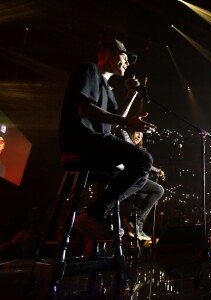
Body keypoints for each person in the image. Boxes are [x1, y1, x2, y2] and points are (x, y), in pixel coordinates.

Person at [58, 33, 156, 240]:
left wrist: (131, 95)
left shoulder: (109, 90)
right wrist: (129, 123)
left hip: (97, 142)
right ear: (108, 54)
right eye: (125, 56)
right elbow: (85, 110)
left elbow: (114, 120)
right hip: (82, 139)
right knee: (143, 160)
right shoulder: (90, 70)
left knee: (142, 171)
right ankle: (95, 214)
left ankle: (97, 213)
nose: (128, 62)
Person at [118, 129, 165, 241]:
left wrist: (157, 170)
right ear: (131, 134)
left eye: (141, 135)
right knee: (159, 190)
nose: (139, 136)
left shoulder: (136, 149)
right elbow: (122, 130)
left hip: (133, 179)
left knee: (148, 198)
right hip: (127, 178)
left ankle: (136, 225)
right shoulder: (127, 144)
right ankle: (135, 222)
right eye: (137, 133)